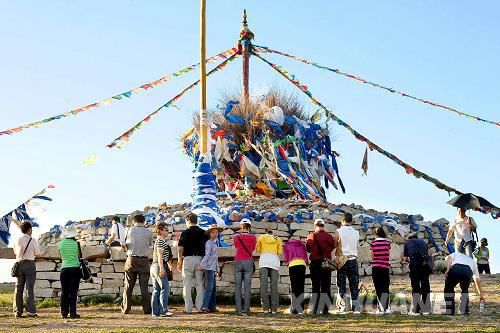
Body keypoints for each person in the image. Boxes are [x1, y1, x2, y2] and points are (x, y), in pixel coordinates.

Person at [177, 213, 208, 313]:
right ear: (196, 220)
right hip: (200, 260)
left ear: (188, 221)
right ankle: (199, 307)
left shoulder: (185, 233)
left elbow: (180, 249)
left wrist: (179, 261)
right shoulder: (204, 233)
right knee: (200, 285)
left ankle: (188, 308)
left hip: (188, 259)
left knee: (187, 285)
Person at [121, 214, 152, 315]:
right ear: (143, 222)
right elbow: (150, 245)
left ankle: (126, 308)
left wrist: (126, 249)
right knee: (144, 286)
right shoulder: (148, 231)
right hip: (144, 260)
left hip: (131, 259)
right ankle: (147, 309)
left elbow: (123, 244)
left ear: (134, 221)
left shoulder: (128, 230)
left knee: (128, 286)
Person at [306, 218, 337, 315]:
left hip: (315, 263)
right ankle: (325, 310)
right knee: (326, 286)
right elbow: (332, 247)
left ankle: (315, 309)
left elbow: (308, 249)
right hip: (326, 264)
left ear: (315, 226)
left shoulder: (311, 236)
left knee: (315, 286)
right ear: (323, 226)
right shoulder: (329, 236)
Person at [13, 222, 43, 318]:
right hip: (29, 264)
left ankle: (18, 311)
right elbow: (38, 253)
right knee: (29, 288)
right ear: (29, 229)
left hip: (19, 264)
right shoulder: (32, 240)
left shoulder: (17, 239)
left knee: (18, 288)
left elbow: (15, 251)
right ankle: (30, 312)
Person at [336, 213, 361, 314]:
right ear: (352, 221)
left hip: (342, 259)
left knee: (341, 284)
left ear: (342, 220)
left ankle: (342, 308)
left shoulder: (338, 231)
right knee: (354, 284)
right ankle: (356, 308)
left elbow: (335, 244)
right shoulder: (356, 232)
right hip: (353, 259)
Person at [402, 232, 431, 315]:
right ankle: (426, 309)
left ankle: (416, 310)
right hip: (425, 266)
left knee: (416, 287)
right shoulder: (423, 242)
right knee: (425, 285)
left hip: (414, 265)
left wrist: (408, 260)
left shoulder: (407, 242)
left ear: (410, 238)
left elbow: (405, 258)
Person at [233, 218, 257, 315]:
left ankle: (238, 309)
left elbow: (236, 247)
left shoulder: (236, 237)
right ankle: (246, 309)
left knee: (238, 287)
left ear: (241, 227)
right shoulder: (253, 238)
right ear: (250, 227)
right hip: (248, 261)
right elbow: (252, 249)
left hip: (238, 260)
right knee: (247, 287)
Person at [256, 228, 283, 314]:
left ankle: (265, 308)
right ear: (272, 233)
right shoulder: (278, 239)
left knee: (264, 286)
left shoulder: (261, 238)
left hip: (264, 261)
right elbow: (280, 252)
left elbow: (258, 250)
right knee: (274, 286)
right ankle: (274, 309)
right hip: (274, 262)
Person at [198, 224, 223, 313]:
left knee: (212, 288)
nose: (215, 234)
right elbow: (207, 255)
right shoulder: (208, 243)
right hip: (208, 268)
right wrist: (202, 265)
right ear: (209, 233)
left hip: (212, 268)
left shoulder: (215, 243)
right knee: (209, 287)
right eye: (213, 232)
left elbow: (215, 257)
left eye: (216, 232)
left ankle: (212, 307)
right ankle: (205, 306)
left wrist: (217, 268)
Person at [150, 221, 173, 318]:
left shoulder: (160, 240)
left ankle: (155, 312)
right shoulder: (160, 240)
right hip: (158, 266)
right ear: (160, 231)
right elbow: (160, 255)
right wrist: (162, 269)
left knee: (156, 289)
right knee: (165, 288)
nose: (167, 231)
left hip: (155, 266)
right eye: (165, 230)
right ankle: (163, 311)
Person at [58, 226, 82, 319]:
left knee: (64, 291)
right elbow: (80, 256)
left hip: (64, 269)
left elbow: (61, 256)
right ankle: (73, 313)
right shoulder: (77, 244)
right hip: (75, 269)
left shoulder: (60, 244)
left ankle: (64, 313)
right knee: (73, 292)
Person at [284, 237, 308, 315]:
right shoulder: (302, 245)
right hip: (302, 264)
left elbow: (286, 256)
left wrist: (287, 262)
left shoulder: (287, 245)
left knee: (294, 287)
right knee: (301, 286)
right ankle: (300, 309)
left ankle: (294, 309)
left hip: (293, 264)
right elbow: (305, 255)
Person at [370, 227, 391, 314]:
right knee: (385, 287)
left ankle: (381, 308)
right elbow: (388, 255)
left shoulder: (373, 243)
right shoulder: (387, 243)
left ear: (375, 234)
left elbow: (372, 256)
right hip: (385, 267)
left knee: (378, 287)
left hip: (376, 267)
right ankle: (387, 308)